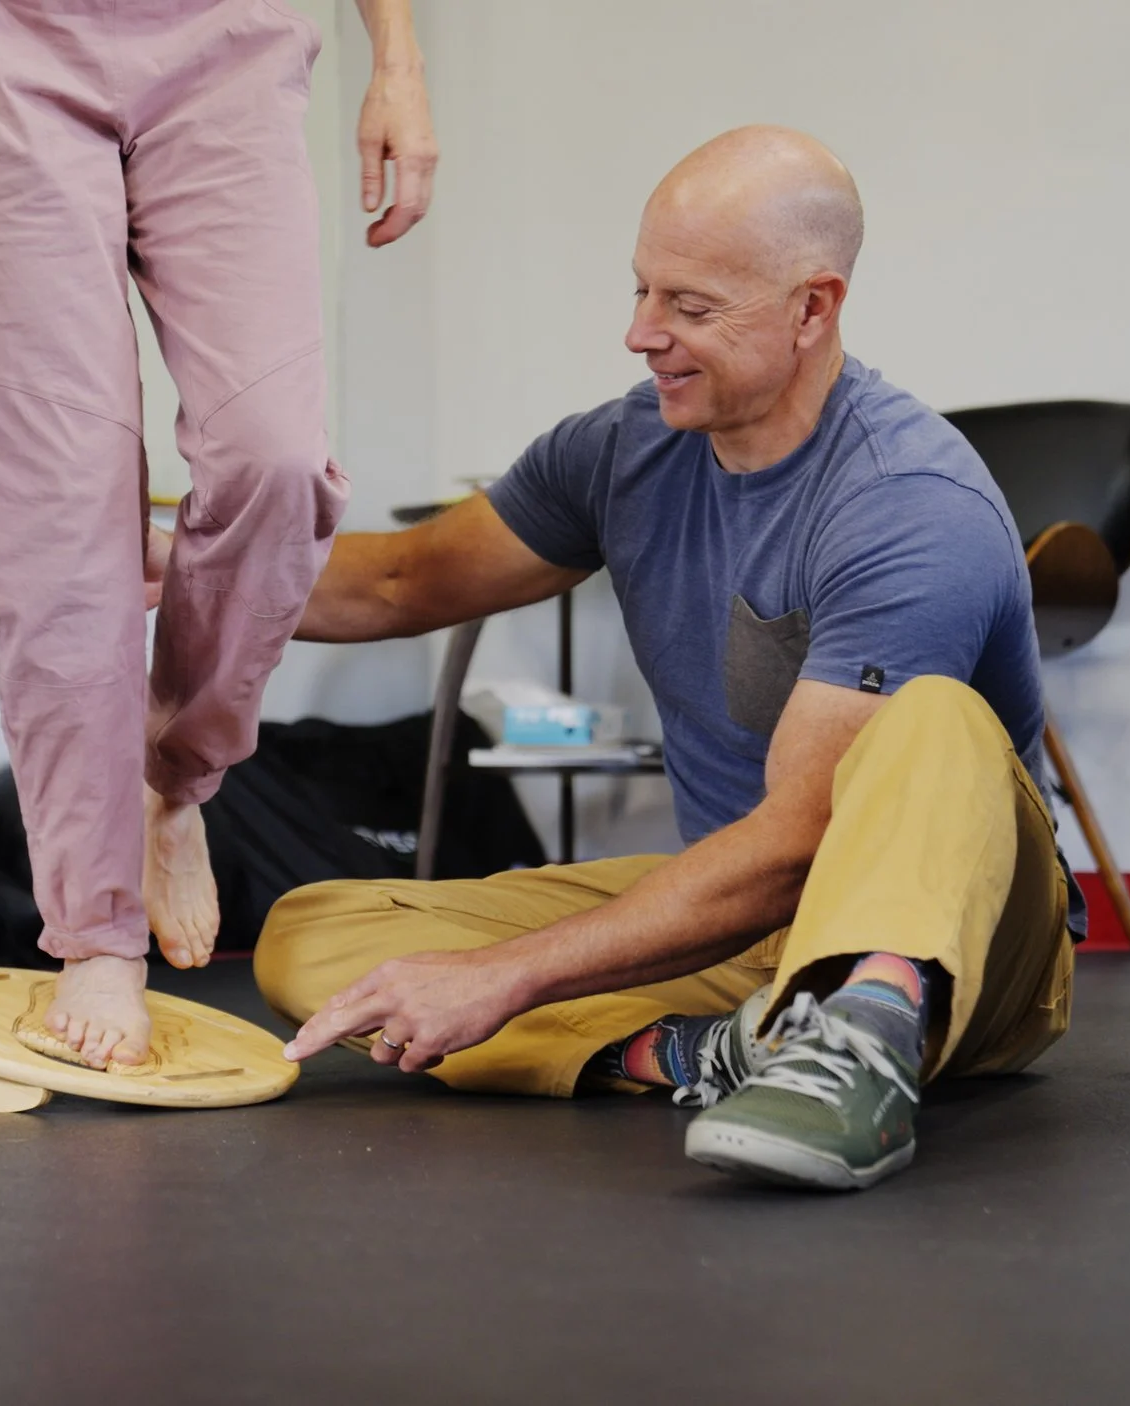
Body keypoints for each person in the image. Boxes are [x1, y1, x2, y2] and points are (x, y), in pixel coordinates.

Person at [249, 126, 1083, 1190]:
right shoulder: (620, 448)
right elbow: (402, 579)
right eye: (643, 292)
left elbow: (797, 841)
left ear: (812, 307)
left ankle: (862, 1029)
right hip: (748, 930)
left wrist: (503, 978)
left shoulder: (909, 503)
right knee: (313, 938)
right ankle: (702, 1050)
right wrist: (187, 570)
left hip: (960, 941)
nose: (641, 334)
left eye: (690, 308)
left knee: (929, 715)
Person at [0, 0, 438, 1068]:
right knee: (57, 521)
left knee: (275, 457)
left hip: (228, 36)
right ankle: (97, 932)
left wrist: (398, 59)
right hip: (1, 39)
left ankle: (173, 772)